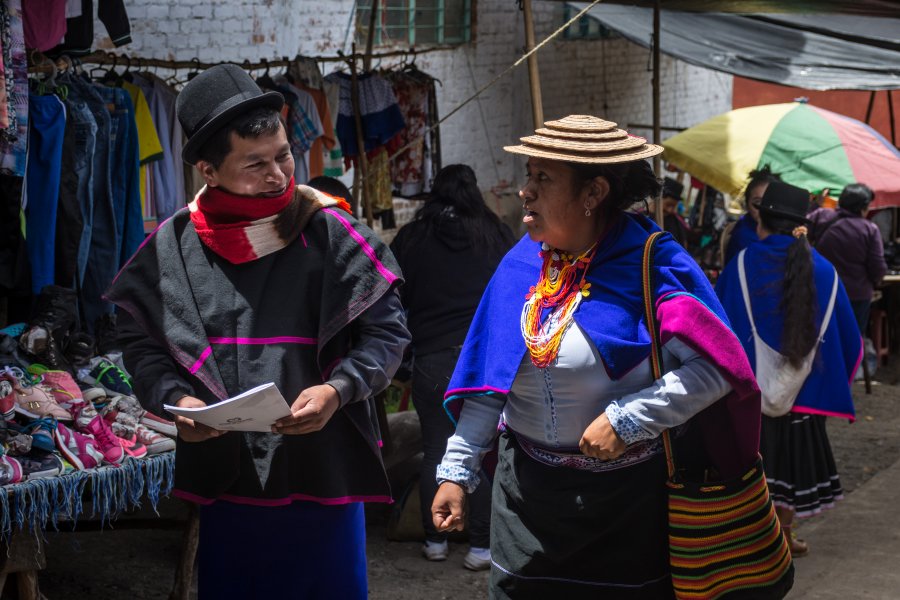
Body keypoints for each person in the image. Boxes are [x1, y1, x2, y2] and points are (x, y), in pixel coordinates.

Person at [106, 65, 410, 599]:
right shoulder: (172, 248)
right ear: (208, 170)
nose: (279, 175)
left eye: (283, 156)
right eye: (256, 164)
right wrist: (176, 401)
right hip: (228, 477)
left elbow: (387, 336)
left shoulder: (332, 230)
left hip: (324, 470)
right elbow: (142, 346)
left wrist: (338, 391)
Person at [431, 115, 764, 598]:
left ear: (593, 194)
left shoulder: (651, 265)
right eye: (528, 175)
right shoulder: (520, 265)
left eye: (543, 179)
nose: (526, 191)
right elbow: (489, 383)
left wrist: (630, 419)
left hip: (627, 507)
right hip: (524, 500)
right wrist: (456, 473)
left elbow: (717, 368)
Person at [715, 180, 861, 557]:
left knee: (754, 468)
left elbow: (720, 327)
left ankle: (753, 539)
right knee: (793, 471)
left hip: (751, 393)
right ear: (804, 224)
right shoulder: (825, 270)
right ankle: (784, 536)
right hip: (806, 392)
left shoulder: (742, 264)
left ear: (759, 216)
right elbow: (848, 338)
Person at [389, 164, 515, 570]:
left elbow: (392, 294)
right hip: (483, 359)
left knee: (435, 451)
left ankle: (436, 541)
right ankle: (481, 547)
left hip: (432, 357)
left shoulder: (413, 237)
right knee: (480, 450)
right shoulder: (495, 234)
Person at [808, 183, 887, 334]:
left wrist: (814, 206)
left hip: (822, 289)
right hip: (856, 297)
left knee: (823, 338)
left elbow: (800, 230)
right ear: (863, 207)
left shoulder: (821, 215)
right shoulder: (869, 229)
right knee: (852, 340)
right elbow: (877, 267)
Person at [721, 165, 781, 266]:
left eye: (770, 201)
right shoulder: (744, 237)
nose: (763, 209)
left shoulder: (779, 232)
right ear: (747, 205)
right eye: (757, 202)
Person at [647, 176, 691, 247]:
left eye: (673, 206)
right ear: (658, 198)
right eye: (668, 205)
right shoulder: (642, 217)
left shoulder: (676, 222)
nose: (670, 210)